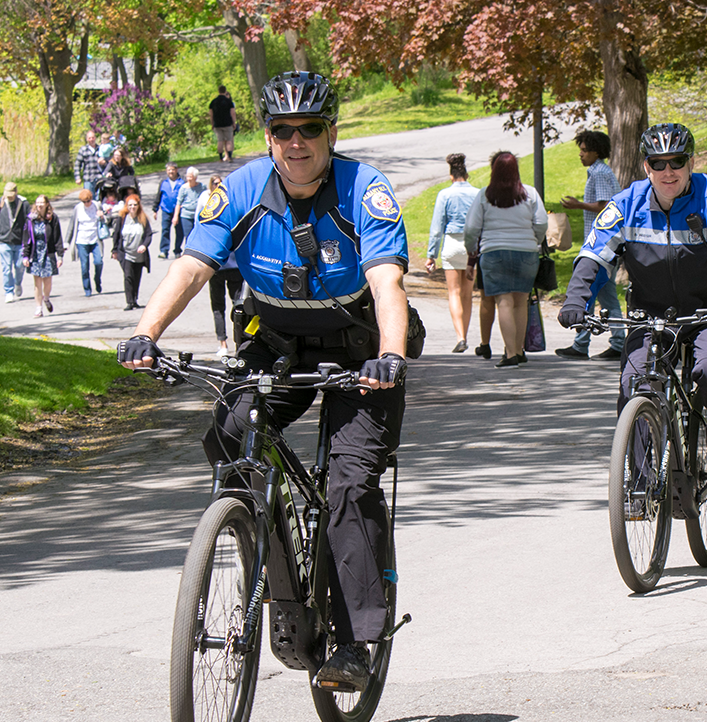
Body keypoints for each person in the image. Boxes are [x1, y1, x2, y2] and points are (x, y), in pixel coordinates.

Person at [117, 71, 409, 692]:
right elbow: (194, 267)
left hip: (360, 355)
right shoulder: (241, 189)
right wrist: (147, 333)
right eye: (282, 130)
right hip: (275, 344)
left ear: (331, 133)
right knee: (227, 440)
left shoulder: (365, 190)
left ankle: (357, 643)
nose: (296, 142)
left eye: (310, 129)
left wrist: (390, 354)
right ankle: (262, 547)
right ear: (268, 136)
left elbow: (388, 284)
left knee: (348, 486)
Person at [558, 123, 707, 494]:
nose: (669, 171)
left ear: (691, 163)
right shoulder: (626, 203)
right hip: (649, 312)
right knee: (634, 384)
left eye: (678, 162)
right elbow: (594, 255)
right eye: (658, 163)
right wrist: (575, 300)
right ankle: (639, 481)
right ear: (646, 167)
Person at [463, 151, 547, 368]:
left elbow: (471, 228)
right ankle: (518, 350)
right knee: (521, 302)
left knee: (504, 302)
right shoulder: (530, 193)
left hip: (494, 252)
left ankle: (510, 353)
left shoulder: (485, 195)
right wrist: (534, 241)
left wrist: (472, 250)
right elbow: (541, 223)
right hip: (527, 252)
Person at [556, 129, 625, 361]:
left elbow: (606, 206)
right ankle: (617, 341)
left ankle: (583, 343)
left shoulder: (600, 173)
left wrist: (578, 205)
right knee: (606, 296)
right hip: (603, 247)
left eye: (584, 150)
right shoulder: (598, 172)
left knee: (588, 293)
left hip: (601, 247)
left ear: (596, 152)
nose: (580, 154)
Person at [425, 153, 480, 352]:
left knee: (454, 293)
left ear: (451, 175)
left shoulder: (445, 195)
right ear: (467, 173)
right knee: (467, 294)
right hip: (471, 246)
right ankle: (465, 333)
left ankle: (460, 337)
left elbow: (437, 227)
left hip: (451, 244)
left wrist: (431, 254)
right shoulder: (477, 193)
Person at [196, 174, 242, 357]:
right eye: (215, 183)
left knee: (239, 305)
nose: (218, 185)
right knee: (217, 305)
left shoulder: (235, 204)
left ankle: (241, 342)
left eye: (220, 183)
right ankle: (222, 342)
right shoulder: (207, 206)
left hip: (235, 266)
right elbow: (199, 231)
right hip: (215, 266)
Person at [21, 195, 64, 317]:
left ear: (46, 204)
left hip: (48, 253)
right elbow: (27, 238)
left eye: (42, 203)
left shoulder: (52, 218)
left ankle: (46, 298)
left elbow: (57, 237)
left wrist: (60, 255)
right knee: (37, 282)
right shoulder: (31, 219)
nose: (39, 205)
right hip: (35, 254)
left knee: (48, 281)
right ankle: (38, 308)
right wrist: (25, 256)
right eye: (37, 202)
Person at [111, 194, 152, 311]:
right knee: (128, 276)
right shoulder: (122, 218)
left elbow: (148, 234)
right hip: (126, 253)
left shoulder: (142, 218)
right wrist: (114, 250)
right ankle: (129, 301)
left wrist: (144, 245)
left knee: (137, 277)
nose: (132, 207)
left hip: (139, 255)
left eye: (135, 205)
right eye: (130, 205)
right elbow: (116, 235)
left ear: (138, 206)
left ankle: (135, 299)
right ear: (126, 206)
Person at [65, 189, 105, 296]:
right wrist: (66, 242)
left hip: (95, 239)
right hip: (82, 241)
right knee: (84, 266)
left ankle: (97, 280)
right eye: (84, 202)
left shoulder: (97, 205)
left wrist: (102, 216)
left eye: (88, 201)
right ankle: (87, 289)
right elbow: (71, 226)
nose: (86, 204)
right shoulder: (78, 208)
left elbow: (106, 221)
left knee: (98, 262)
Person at [0, 181, 29, 303]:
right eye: (8, 195)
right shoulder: (1, 203)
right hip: (4, 240)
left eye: (12, 195)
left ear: (16, 192)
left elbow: (29, 220)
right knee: (6, 268)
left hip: (19, 241)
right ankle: (8, 291)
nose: (10, 197)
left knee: (19, 266)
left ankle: (18, 283)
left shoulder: (23, 203)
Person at [152, 162, 184, 259]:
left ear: (176, 170)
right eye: (169, 170)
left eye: (172, 169)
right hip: (166, 209)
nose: (171, 172)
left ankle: (177, 250)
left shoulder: (182, 182)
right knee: (165, 229)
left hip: (178, 210)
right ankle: (164, 250)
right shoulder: (163, 182)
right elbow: (159, 196)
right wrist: (155, 209)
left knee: (179, 231)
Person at [172, 167, 202, 256]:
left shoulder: (201, 186)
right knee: (188, 235)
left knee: (198, 234)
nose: (188, 178)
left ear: (195, 177)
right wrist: (175, 216)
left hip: (198, 215)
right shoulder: (183, 188)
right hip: (186, 215)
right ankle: (188, 253)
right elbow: (178, 203)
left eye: (191, 176)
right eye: (187, 176)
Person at [209, 85, 238, 162]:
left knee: (220, 141)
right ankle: (229, 157)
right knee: (229, 140)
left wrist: (212, 123)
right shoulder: (229, 102)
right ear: (225, 91)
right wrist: (234, 122)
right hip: (228, 123)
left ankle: (220, 157)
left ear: (218, 91)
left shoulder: (213, 102)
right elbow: (233, 113)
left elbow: (211, 115)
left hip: (217, 124)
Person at [74, 131, 102, 197]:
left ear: (95, 138)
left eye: (93, 137)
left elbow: (109, 162)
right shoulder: (83, 150)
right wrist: (77, 177)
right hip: (88, 178)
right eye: (89, 138)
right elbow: (77, 165)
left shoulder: (101, 149)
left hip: (100, 178)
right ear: (87, 139)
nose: (91, 139)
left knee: (100, 199)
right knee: (88, 198)